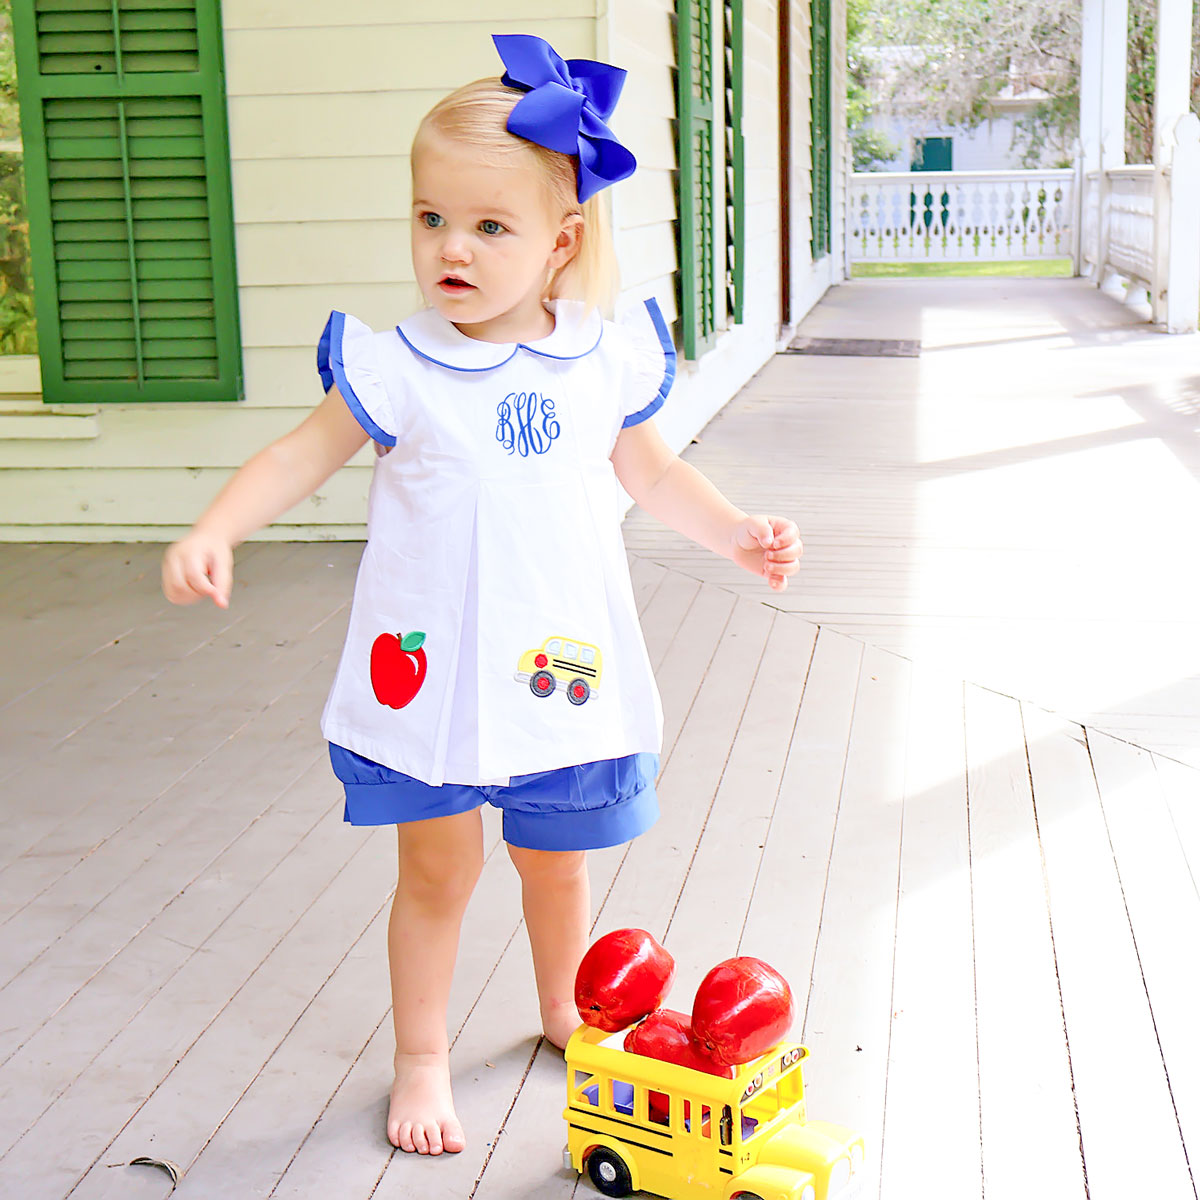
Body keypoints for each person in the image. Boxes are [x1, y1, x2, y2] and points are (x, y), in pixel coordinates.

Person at [162, 33, 802, 1159]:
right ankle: (421, 1054)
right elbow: (296, 457)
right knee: (439, 867)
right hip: (438, 672)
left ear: (561, 244)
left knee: (556, 859)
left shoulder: (601, 361)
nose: (450, 248)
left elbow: (652, 474)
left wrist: (735, 534)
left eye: (488, 227)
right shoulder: (398, 365)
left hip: (559, 659)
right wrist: (218, 525)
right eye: (430, 219)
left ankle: (565, 1009)